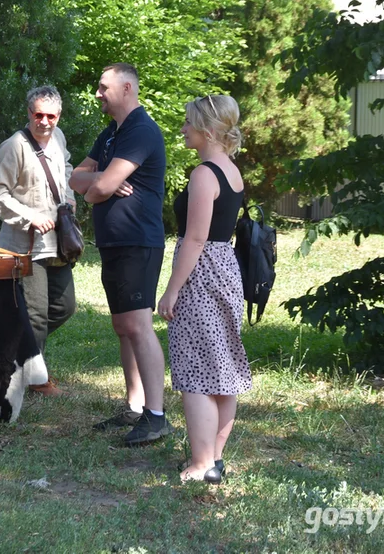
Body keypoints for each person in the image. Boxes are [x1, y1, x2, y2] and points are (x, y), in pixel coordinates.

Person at [69, 63, 172, 446]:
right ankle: (134, 406)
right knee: (123, 327)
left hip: (137, 242)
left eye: (103, 87)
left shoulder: (140, 130)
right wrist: (100, 182)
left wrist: (99, 184)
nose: (97, 93)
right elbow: (76, 178)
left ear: (127, 88)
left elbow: (95, 188)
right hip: (115, 244)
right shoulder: (111, 133)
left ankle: (157, 417)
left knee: (138, 326)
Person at [156, 95, 251, 484]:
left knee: (195, 372)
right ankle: (214, 459)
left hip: (201, 276)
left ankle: (200, 463)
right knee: (222, 370)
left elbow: (194, 239)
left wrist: (171, 290)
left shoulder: (203, 175)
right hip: (226, 271)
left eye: (188, 123)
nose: (182, 129)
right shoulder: (232, 171)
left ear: (208, 130)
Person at [0, 86, 77, 395]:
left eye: (51, 116)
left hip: (57, 244)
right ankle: (34, 379)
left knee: (64, 307)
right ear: (28, 114)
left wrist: (70, 203)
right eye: (39, 115)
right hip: (26, 247)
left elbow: (65, 171)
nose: (45, 122)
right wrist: (30, 216)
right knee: (35, 315)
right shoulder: (15, 146)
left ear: (59, 116)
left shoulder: (59, 137)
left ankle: (10, 352)